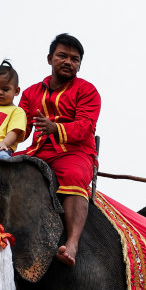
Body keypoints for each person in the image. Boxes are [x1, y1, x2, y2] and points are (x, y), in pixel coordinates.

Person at [18, 33, 101, 266]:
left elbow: (85, 127)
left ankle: (72, 243)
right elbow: (20, 129)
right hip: (37, 150)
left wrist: (55, 128)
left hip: (74, 152)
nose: (68, 62)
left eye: (75, 59)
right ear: (49, 58)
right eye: (62, 56)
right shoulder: (30, 93)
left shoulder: (88, 91)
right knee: (2, 167)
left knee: (74, 177)